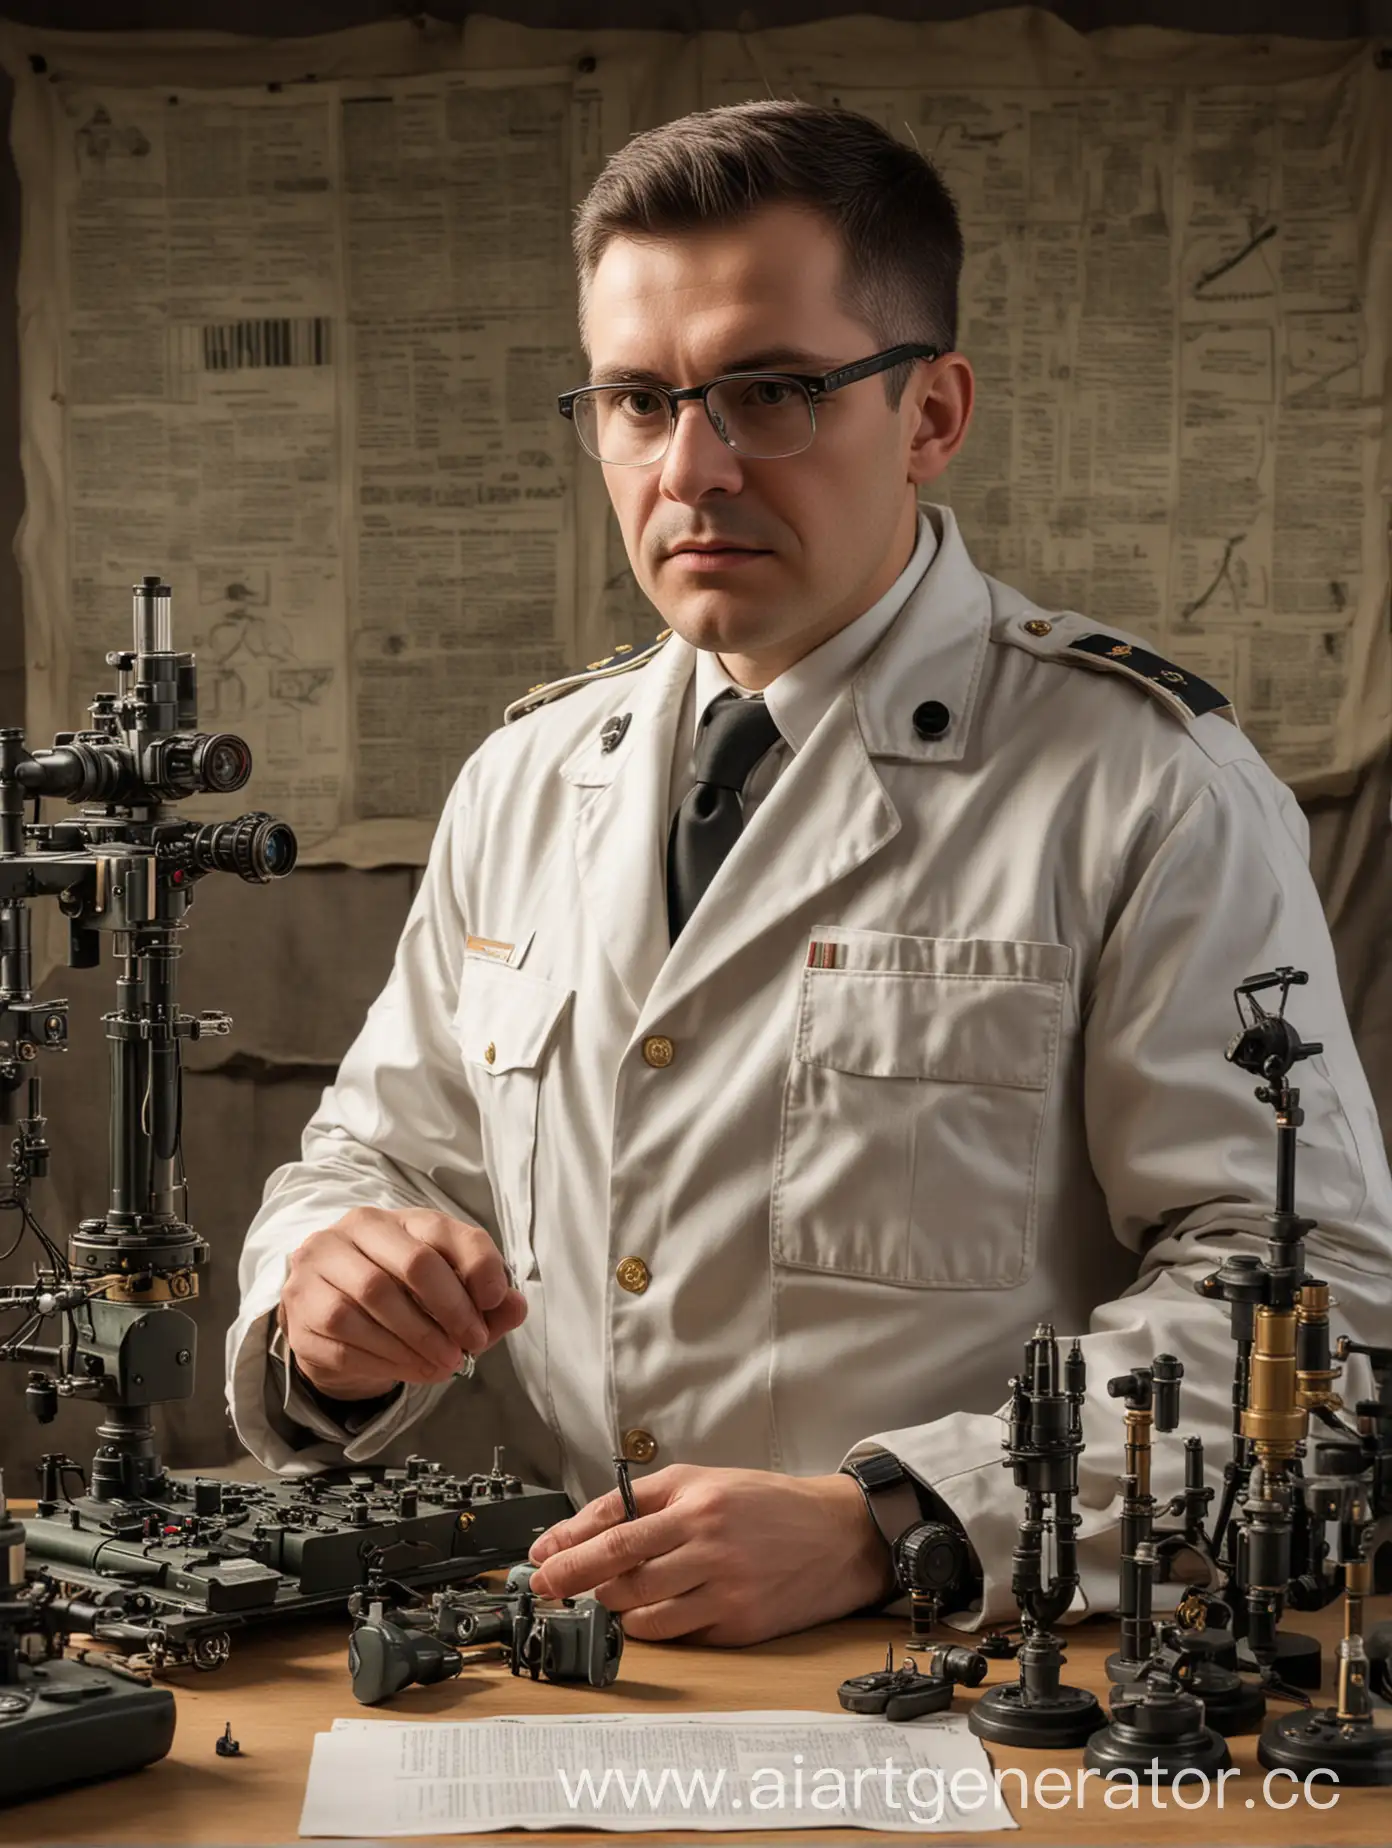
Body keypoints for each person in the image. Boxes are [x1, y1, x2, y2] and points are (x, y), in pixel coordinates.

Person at [227, 100, 1392, 1647]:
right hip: (586, 1653)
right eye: (639, 401)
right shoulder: (524, 778)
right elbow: (375, 1164)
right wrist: (329, 1299)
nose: (692, 470)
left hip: (988, 1657)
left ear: (929, 413)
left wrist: (893, 1520)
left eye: (769, 391)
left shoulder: (1144, 786)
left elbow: (1309, 1299)